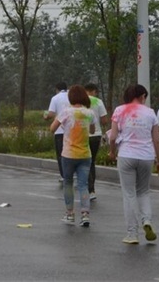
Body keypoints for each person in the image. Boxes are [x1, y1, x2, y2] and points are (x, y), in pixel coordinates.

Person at [108, 84, 159, 245]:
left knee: (129, 194)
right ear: (142, 96)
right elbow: (157, 140)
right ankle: (146, 220)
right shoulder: (151, 113)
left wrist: (112, 152)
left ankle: (132, 234)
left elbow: (112, 136)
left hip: (126, 155)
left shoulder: (119, 110)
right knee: (144, 192)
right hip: (146, 156)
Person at [49, 85, 96, 227]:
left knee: (68, 183)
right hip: (85, 154)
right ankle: (85, 215)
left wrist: (64, 127)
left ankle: (70, 214)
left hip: (69, 154)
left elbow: (52, 128)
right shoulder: (89, 113)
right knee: (83, 185)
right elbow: (92, 131)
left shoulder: (66, 112)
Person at [84, 83, 109, 201]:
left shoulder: (80, 101)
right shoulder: (98, 102)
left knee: (83, 162)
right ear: (94, 91)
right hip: (95, 135)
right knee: (91, 162)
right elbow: (104, 120)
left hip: (82, 136)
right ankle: (92, 190)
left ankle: (85, 187)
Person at [43, 82, 69, 183]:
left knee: (60, 153)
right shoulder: (72, 96)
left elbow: (51, 114)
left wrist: (46, 117)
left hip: (59, 130)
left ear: (57, 89)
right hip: (72, 130)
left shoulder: (55, 98)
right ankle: (73, 173)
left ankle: (64, 175)